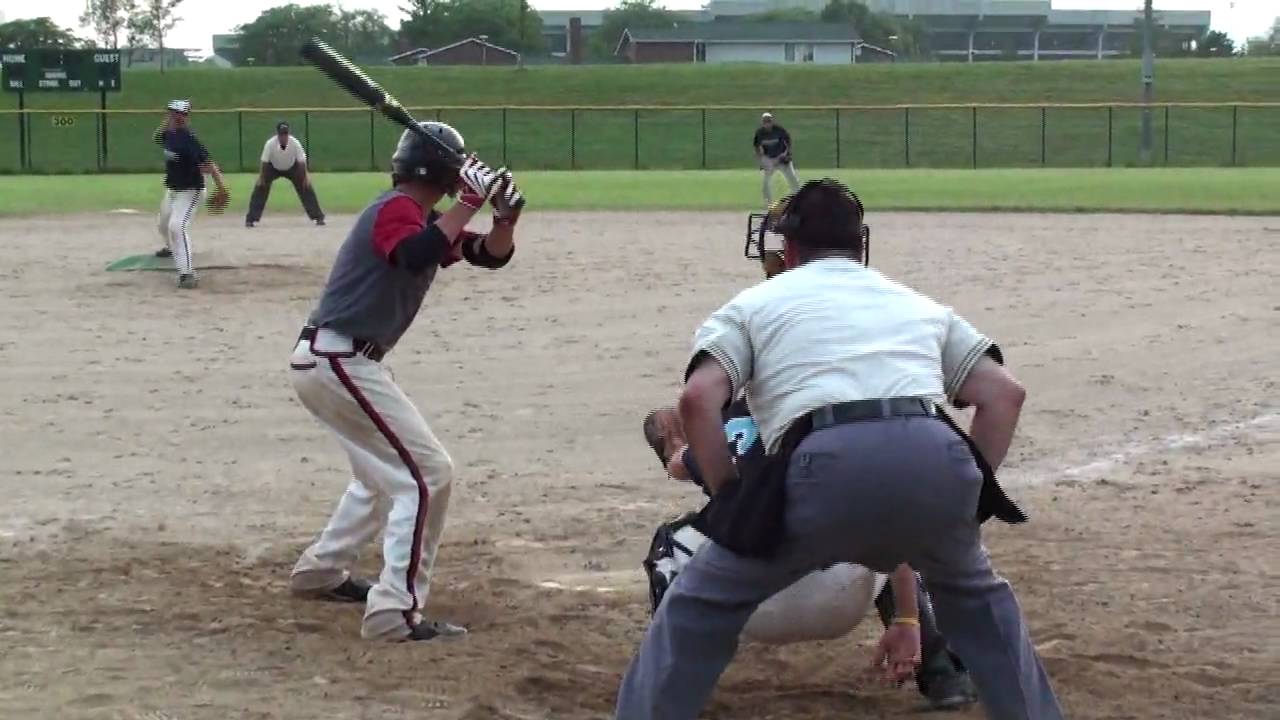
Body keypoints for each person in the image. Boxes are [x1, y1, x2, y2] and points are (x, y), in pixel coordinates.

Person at [614, 178, 1062, 720]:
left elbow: (696, 399)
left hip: (822, 462)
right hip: (937, 451)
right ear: (859, 244)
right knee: (983, 606)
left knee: (696, 607)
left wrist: (733, 502)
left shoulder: (752, 305)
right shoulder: (916, 303)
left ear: (789, 249)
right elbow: (1005, 394)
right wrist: (962, 506)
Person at [286, 121, 524, 642]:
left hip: (334, 360)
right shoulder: (396, 209)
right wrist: (469, 201)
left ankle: (321, 571)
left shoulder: (422, 217)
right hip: (340, 360)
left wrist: (503, 219)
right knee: (428, 474)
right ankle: (394, 612)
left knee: (380, 476)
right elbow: (413, 254)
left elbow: (487, 254)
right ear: (443, 172)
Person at [642, 404, 978, 711]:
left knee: (671, 541)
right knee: (887, 527)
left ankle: (671, 684)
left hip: (750, 599)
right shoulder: (832, 417)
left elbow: (680, 464)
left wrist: (676, 446)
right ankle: (942, 672)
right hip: (843, 594)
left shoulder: (720, 424)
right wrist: (907, 619)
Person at [152, 99, 228, 289]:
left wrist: (221, 188)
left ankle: (187, 274)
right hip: (173, 189)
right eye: (173, 113)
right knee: (162, 225)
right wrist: (168, 121)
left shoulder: (189, 140)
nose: (176, 116)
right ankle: (172, 249)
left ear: (186, 118)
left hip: (191, 191)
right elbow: (157, 137)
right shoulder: (167, 134)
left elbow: (210, 165)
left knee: (176, 227)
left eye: (180, 114)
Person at [245, 121, 326, 227]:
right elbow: (264, 162)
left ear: (288, 134)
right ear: (277, 135)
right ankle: (251, 219)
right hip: (273, 167)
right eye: (281, 135)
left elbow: (302, 161)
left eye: (285, 134)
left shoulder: (295, 143)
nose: (283, 137)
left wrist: (305, 177)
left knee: (306, 186)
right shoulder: (270, 143)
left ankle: (318, 217)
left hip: (292, 167)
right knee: (260, 187)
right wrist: (261, 177)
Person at [753, 112, 800, 208]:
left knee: (793, 180)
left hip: (782, 159)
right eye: (765, 121)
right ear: (762, 122)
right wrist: (763, 160)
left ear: (772, 121)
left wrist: (784, 155)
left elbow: (788, 143)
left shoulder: (779, 130)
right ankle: (769, 205)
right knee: (766, 183)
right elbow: (757, 147)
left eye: (769, 121)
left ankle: (798, 202)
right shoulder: (760, 133)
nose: (767, 123)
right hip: (770, 160)